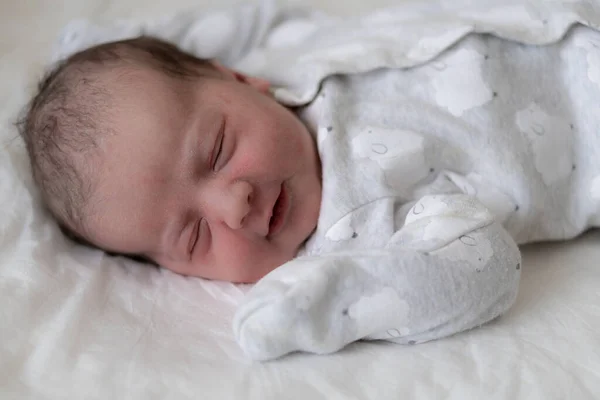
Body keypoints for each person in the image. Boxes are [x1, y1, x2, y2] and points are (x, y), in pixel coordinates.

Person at [18, 25, 600, 359]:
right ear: (174, 270)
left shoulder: (290, 66)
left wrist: (84, 40)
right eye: (194, 236)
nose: (233, 204)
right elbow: (484, 265)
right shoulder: (353, 228)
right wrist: (331, 299)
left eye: (218, 150)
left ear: (240, 81)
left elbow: (243, 22)